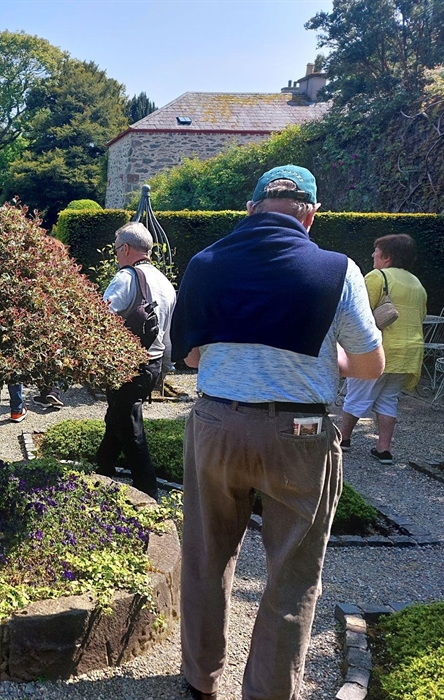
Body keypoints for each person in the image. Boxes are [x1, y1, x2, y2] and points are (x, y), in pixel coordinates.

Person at [170, 165, 384, 700]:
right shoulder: (338, 269)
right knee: (292, 572)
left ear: (250, 208)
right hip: (301, 434)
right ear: (309, 214)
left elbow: (191, 357)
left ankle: (200, 681)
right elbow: (370, 365)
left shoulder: (205, 263)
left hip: (218, 424)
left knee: (205, 556)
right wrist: (328, 356)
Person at [94, 222, 176, 499]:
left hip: (127, 366)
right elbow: (167, 336)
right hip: (150, 365)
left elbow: (99, 318)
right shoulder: (165, 283)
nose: (116, 255)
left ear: (126, 248)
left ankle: (150, 493)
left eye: (117, 249)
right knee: (117, 419)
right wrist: (163, 371)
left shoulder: (126, 277)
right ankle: (101, 472)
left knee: (129, 430)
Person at [340, 234, 427, 464]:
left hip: (378, 350)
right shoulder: (417, 284)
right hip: (408, 353)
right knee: (389, 400)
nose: (372, 256)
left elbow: (357, 313)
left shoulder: (378, 277)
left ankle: (343, 440)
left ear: (387, 257)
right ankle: (383, 449)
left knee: (356, 395)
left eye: (376, 252)